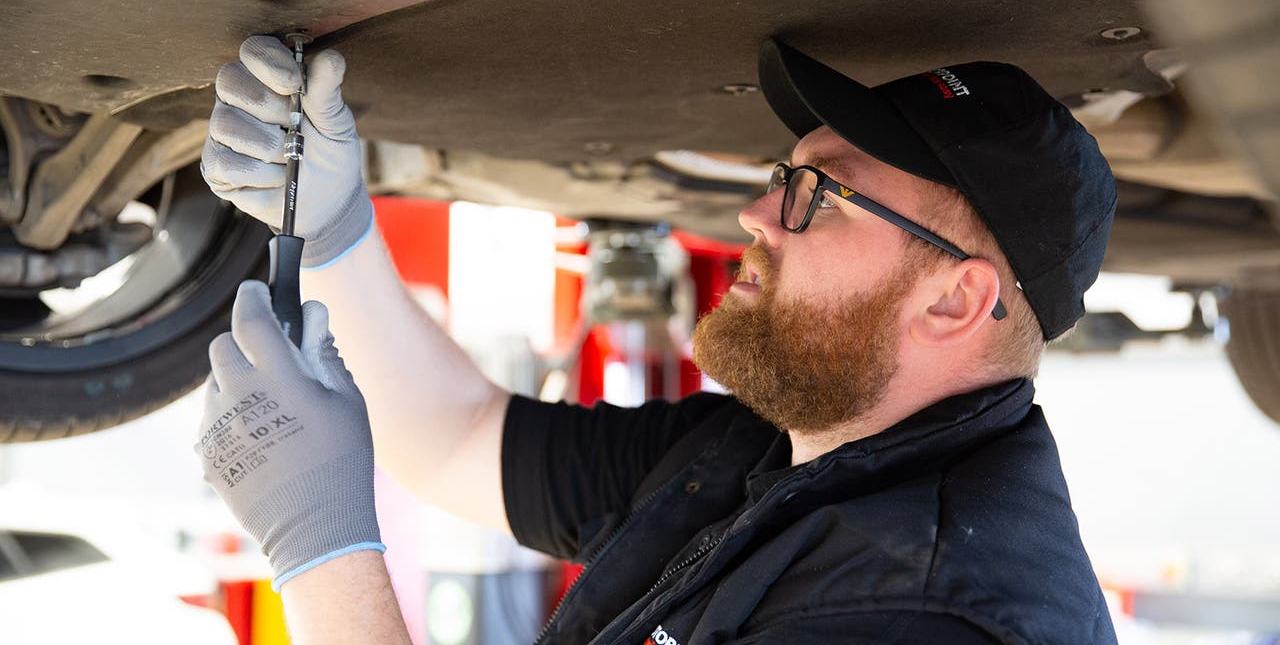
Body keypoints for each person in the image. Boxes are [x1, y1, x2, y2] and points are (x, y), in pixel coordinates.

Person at [196, 35, 1120, 644]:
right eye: (781, 176)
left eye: (820, 195)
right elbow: (462, 439)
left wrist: (322, 552)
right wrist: (338, 235)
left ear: (954, 303)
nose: (757, 214)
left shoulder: (928, 617)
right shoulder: (766, 452)